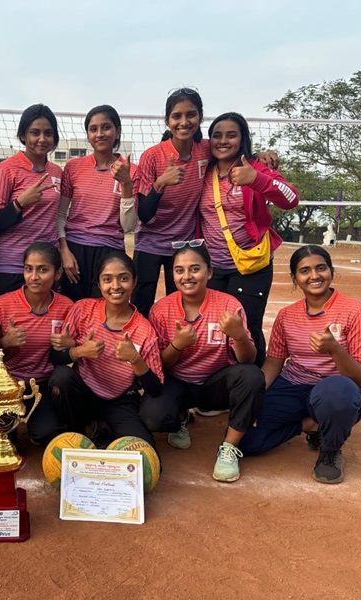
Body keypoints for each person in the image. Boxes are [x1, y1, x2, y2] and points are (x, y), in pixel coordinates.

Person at [239, 245, 361, 484]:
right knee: (244, 440)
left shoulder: (357, 313)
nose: (314, 276)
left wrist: (335, 349)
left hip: (337, 389)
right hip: (294, 384)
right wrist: (253, 399)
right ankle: (312, 425)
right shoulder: (286, 315)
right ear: (295, 278)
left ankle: (330, 451)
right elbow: (273, 363)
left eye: (321, 268)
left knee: (337, 393)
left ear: (331, 271)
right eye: (305, 271)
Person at [141, 241, 264, 482]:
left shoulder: (229, 305)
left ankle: (229, 448)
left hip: (215, 385)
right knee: (152, 417)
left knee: (251, 377)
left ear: (209, 272)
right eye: (179, 270)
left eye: (195, 269)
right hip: (177, 383)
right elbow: (158, 367)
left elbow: (248, 360)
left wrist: (238, 335)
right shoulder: (161, 309)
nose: (187, 276)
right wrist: (177, 345)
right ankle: (180, 419)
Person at [200, 112, 299, 367]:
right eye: (217, 135)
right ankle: (221, 393)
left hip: (252, 267)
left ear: (243, 139)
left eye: (231, 135)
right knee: (215, 331)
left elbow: (291, 199)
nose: (223, 141)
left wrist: (257, 179)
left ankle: (255, 389)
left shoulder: (255, 167)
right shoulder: (204, 170)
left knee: (248, 329)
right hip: (214, 270)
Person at [49, 251, 163, 448]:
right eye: (107, 279)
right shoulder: (82, 309)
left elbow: (155, 388)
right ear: (99, 284)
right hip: (83, 395)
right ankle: (80, 433)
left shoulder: (144, 330)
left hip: (119, 400)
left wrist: (135, 359)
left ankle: (102, 428)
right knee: (62, 377)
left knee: (143, 450)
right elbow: (54, 357)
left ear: (134, 282)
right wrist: (79, 351)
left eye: (124, 278)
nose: (116, 286)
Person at [0, 242, 74, 444]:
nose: (34, 277)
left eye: (43, 270)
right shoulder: (2, 305)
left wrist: (71, 344)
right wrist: (4, 342)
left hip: (39, 384)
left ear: (57, 274)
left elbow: (72, 349)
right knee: (4, 438)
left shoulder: (66, 307)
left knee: (46, 434)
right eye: (28, 269)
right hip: (4, 384)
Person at [132, 88, 210, 317]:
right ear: (167, 121)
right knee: (141, 306)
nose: (184, 122)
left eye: (191, 115)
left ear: (200, 117)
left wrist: (259, 156)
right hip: (149, 244)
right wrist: (160, 184)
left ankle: (176, 350)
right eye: (177, 116)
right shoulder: (152, 156)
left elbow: (234, 151)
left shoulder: (205, 150)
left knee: (179, 306)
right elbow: (144, 215)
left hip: (183, 244)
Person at [58, 105, 139, 301]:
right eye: (93, 129)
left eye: (106, 127)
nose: (100, 134)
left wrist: (126, 183)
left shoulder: (132, 170)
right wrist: (64, 250)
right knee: (72, 311)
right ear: (88, 134)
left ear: (118, 131)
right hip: (75, 250)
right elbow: (60, 214)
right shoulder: (73, 167)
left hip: (110, 251)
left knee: (103, 315)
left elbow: (128, 226)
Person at [0, 104, 63, 296]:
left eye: (48, 133)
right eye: (35, 132)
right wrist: (19, 203)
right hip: (13, 265)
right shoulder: (7, 169)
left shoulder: (57, 172)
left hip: (47, 266)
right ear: (23, 135)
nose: (42, 139)